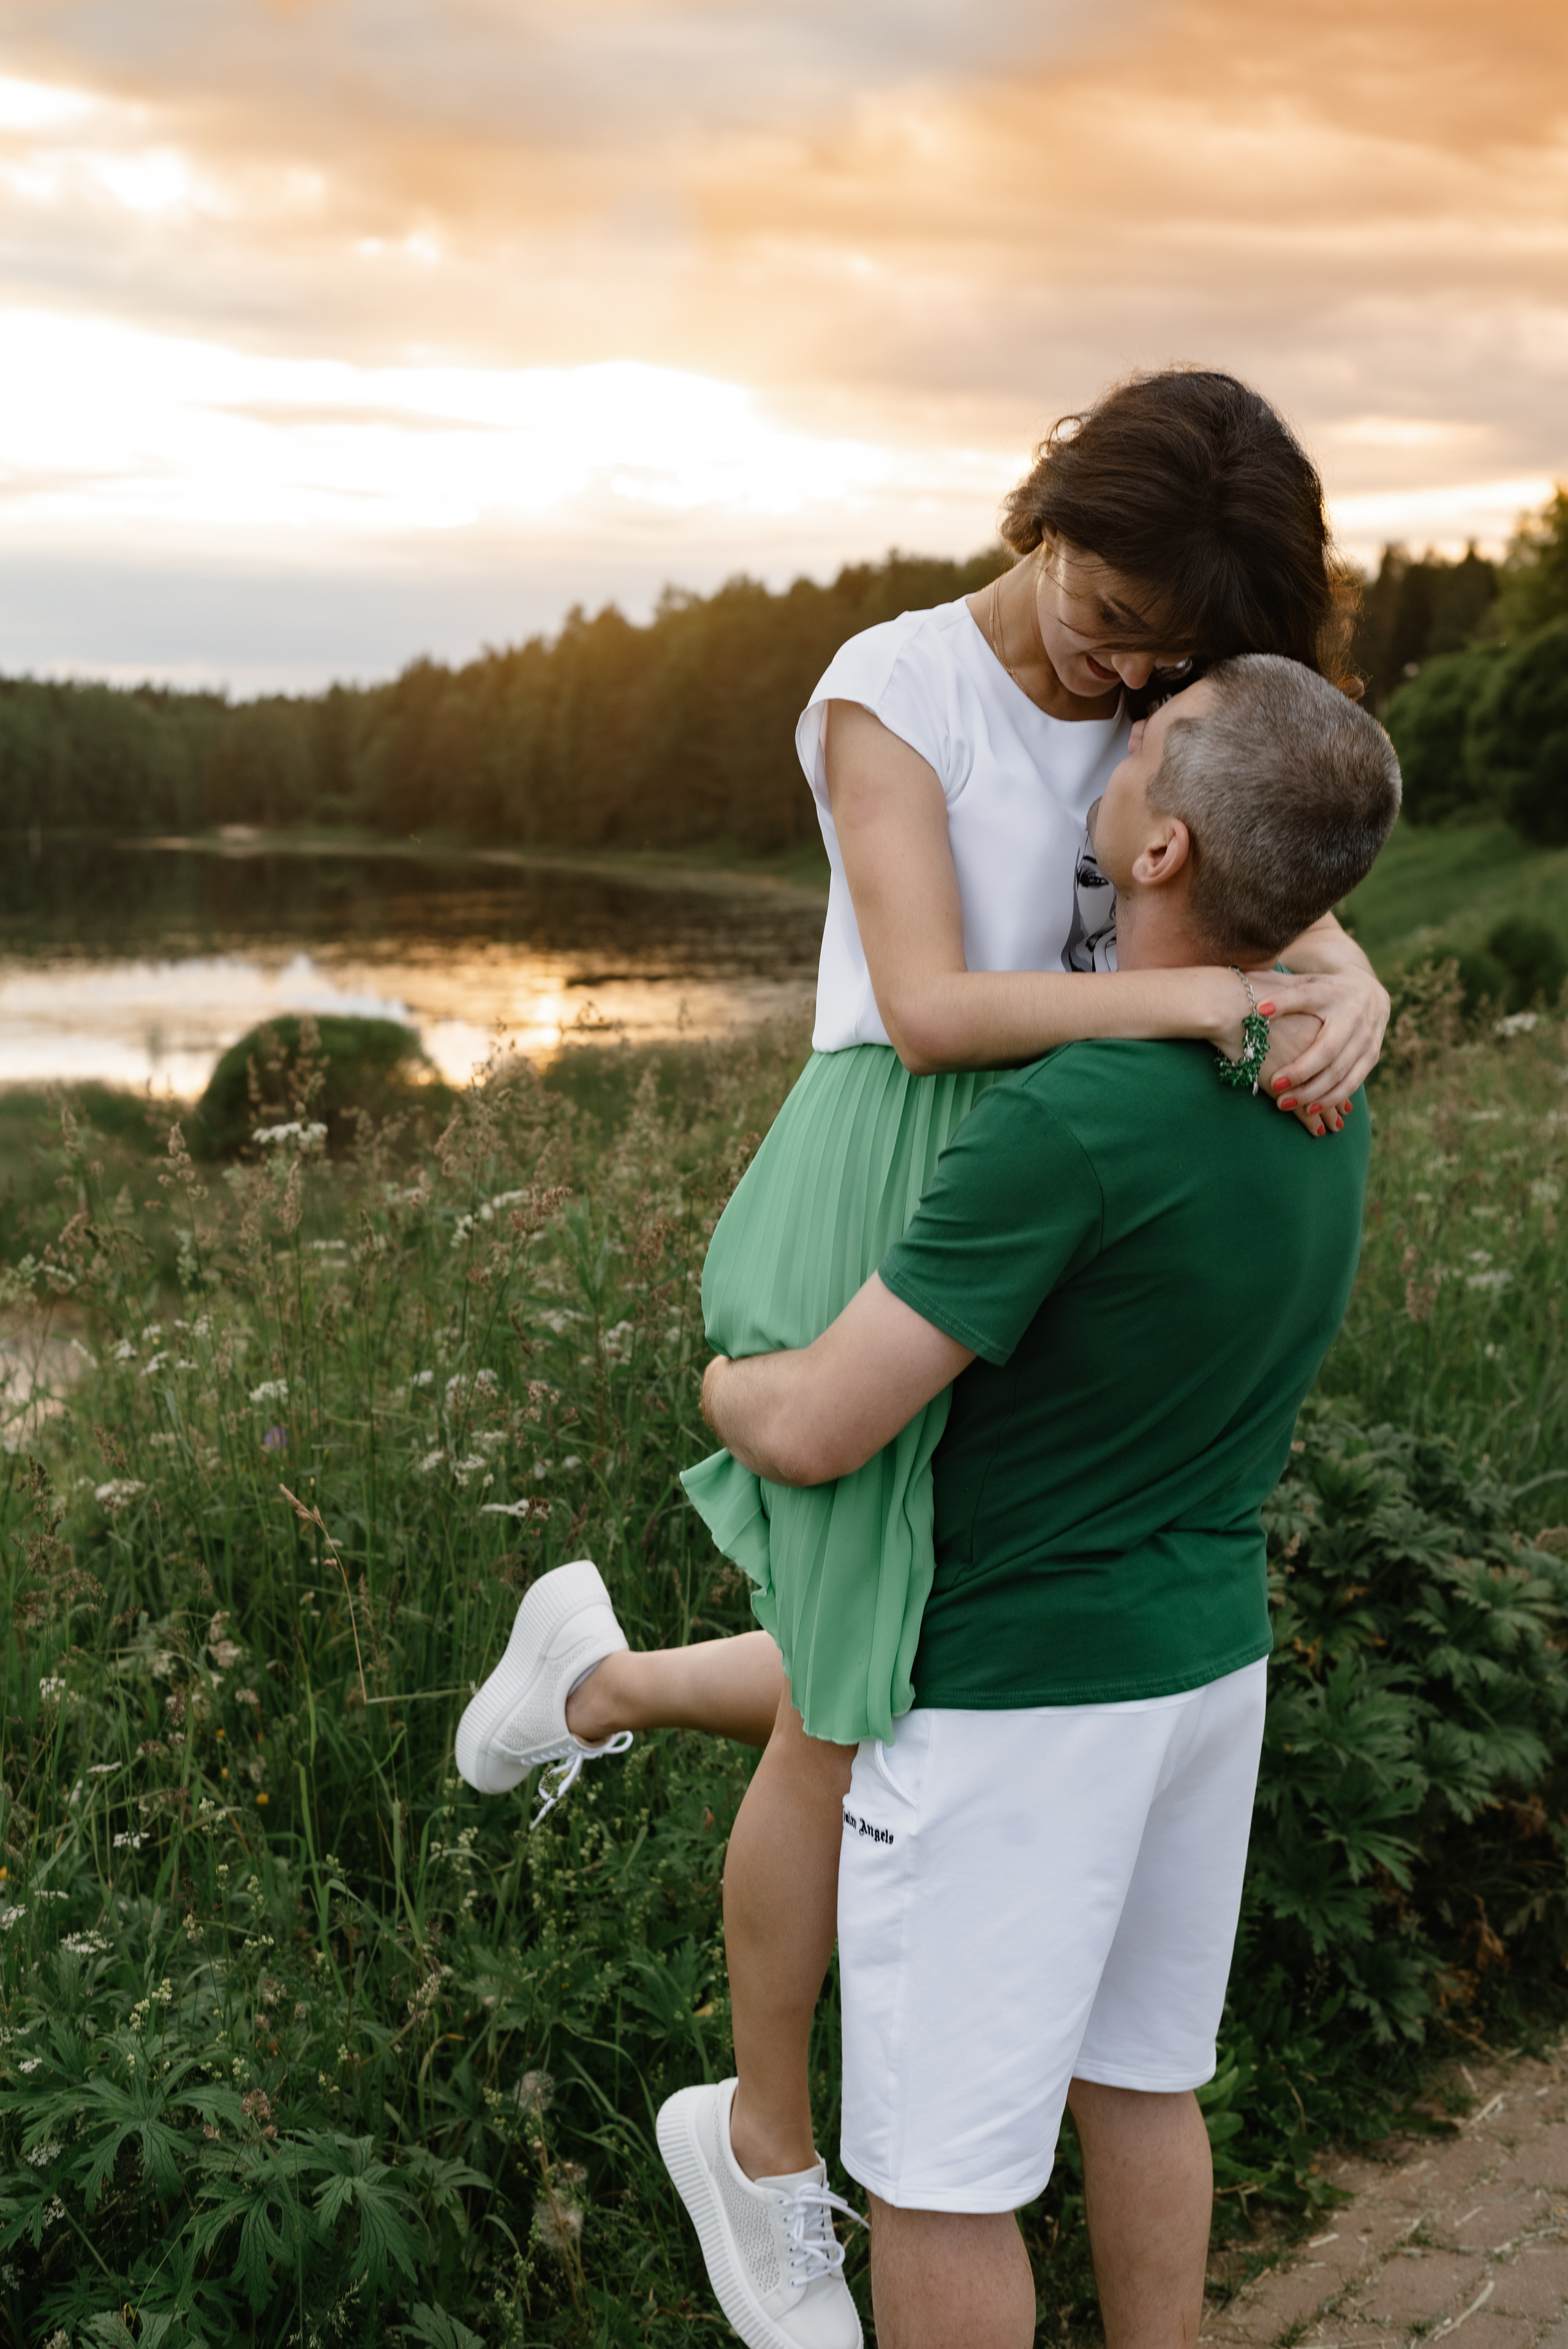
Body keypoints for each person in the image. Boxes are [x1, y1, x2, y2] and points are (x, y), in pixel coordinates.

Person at [455, 370, 1391, 2344]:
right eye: (1105, 609)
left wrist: (1342, 955)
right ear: (1042, 509)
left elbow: (1263, 836)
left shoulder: (1181, 698)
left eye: (1167, 653)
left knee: (890, 1658)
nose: (1124, 665)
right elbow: (931, 1001)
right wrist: (1232, 985)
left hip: (1068, 1160)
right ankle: (769, 2147)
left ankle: (601, 1684)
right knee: (876, 1664)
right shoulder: (895, 683)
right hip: (911, 1143)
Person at [662, 655, 1400, 2349]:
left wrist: (722, 1386)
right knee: (1143, 2086)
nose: (1116, 745)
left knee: (942, 2180)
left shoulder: (1070, 1120)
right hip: (1207, 1664)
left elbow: (825, 1426)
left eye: (1148, 745)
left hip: (1018, 1698)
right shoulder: (1321, 1089)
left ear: (1160, 851)